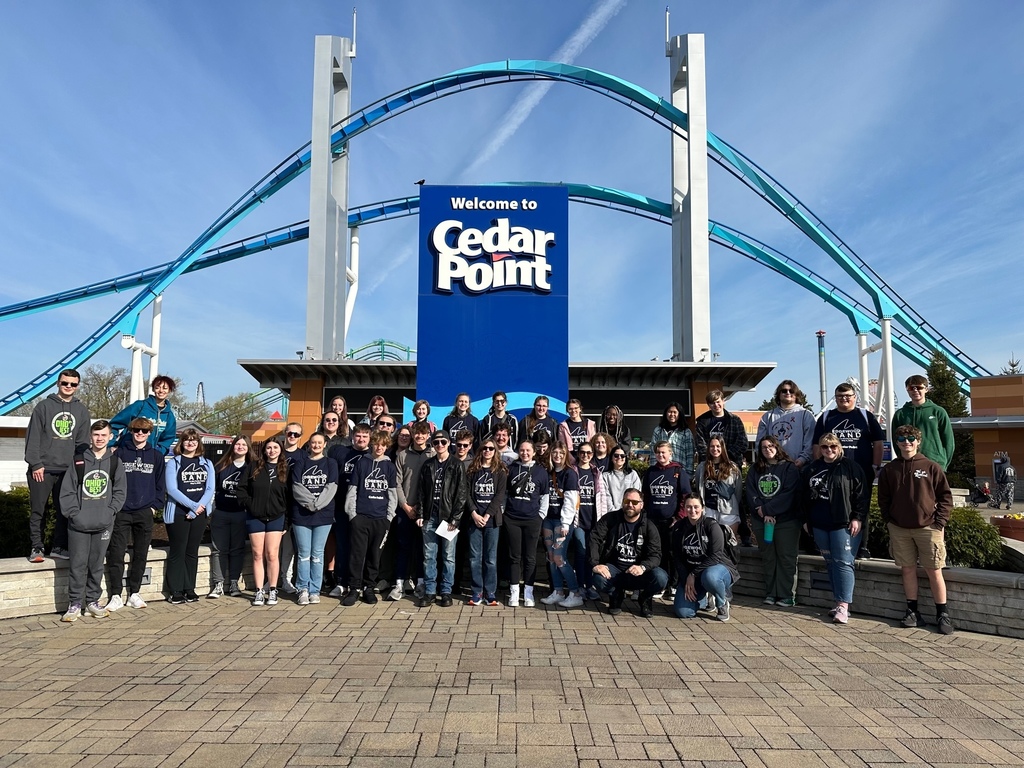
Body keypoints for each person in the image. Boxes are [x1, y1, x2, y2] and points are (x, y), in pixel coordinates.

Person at [878, 424, 955, 634]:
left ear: (918, 441)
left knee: (934, 570)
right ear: (897, 443)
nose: (906, 443)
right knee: (907, 569)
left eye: (911, 439)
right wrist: (890, 520)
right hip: (900, 528)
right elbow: (883, 498)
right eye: (902, 440)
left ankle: (943, 613)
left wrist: (939, 523)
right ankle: (912, 611)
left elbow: (945, 497)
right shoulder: (890, 469)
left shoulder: (931, 467)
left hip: (928, 528)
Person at [59, 420, 126, 622]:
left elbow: (120, 492)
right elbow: (68, 491)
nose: (100, 438)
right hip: (79, 523)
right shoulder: (78, 461)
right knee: (77, 564)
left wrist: (110, 512)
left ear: (110, 437)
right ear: (91, 436)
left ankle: (92, 601)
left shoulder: (115, 462)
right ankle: (75, 604)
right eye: (96, 435)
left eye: (104, 435)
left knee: (96, 564)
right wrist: (74, 514)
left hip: (103, 523)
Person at [25, 368, 91, 562]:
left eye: (73, 384)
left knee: (65, 511)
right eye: (65, 383)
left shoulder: (81, 410)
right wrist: (36, 464)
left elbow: (82, 444)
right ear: (58, 383)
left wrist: (80, 467)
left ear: (77, 386)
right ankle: (37, 547)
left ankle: (59, 547)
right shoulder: (43, 407)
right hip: (42, 469)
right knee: (39, 509)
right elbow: (33, 438)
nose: (68, 387)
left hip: (67, 470)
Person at [801, 432, 866, 625]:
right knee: (830, 561)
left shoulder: (850, 467)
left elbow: (861, 495)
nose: (829, 450)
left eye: (833, 447)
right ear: (819, 449)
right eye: (824, 447)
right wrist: (806, 519)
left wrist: (858, 517)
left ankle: (843, 606)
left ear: (839, 448)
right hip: (819, 523)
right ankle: (838, 601)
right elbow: (803, 496)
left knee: (843, 562)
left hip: (843, 522)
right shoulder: (812, 468)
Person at [813, 382, 884, 558]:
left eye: (848, 396)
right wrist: (818, 466)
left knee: (861, 508)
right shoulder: (826, 417)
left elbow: (878, 442)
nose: (844, 399)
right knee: (830, 505)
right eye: (840, 396)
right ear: (835, 398)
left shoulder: (865, 416)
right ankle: (828, 544)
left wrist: (875, 466)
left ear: (855, 397)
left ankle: (862, 546)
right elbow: (816, 443)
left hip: (861, 470)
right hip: (832, 471)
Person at [105, 417, 165, 611]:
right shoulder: (119, 454)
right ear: (131, 432)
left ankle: (135, 593)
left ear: (150, 433)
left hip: (144, 512)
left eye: (144, 431)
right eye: (136, 431)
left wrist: (154, 507)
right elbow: (110, 482)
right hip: (121, 511)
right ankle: (115, 595)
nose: (140, 434)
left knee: (141, 553)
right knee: (116, 554)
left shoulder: (156, 456)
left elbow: (160, 484)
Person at [589, 488, 668, 618]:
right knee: (598, 578)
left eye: (635, 502)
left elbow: (656, 555)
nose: (630, 505)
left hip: (638, 572)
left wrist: (643, 567)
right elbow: (594, 538)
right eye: (627, 501)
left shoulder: (649, 526)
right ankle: (616, 595)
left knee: (661, 578)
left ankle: (645, 598)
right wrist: (595, 564)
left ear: (641, 505)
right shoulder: (611, 519)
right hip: (615, 570)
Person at [745, 435, 802, 607]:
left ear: (777, 447)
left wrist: (769, 510)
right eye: (763, 447)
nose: (767, 449)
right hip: (762, 521)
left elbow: (789, 493)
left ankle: (786, 595)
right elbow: (751, 492)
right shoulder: (755, 469)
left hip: (786, 521)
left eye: (771, 446)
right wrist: (762, 511)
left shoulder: (789, 468)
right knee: (768, 557)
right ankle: (771, 593)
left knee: (786, 557)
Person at [343, 430, 398, 605]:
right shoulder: (362, 463)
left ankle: (368, 587)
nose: (379, 447)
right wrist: (352, 514)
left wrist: (389, 517)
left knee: (375, 555)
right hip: (361, 517)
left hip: (380, 519)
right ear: (371, 444)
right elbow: (353, 489)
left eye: (383, 445)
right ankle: (354, 588)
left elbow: (392, 493)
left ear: (386, 446)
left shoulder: (390, 466)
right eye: (376, 444)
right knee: (357, 555)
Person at [416, 430, 467, 607]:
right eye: (436, 442)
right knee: (429, 555)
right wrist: (420, 514)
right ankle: (430, 592)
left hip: (447, 518)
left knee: (448, 556)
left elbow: (461, 494)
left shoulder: (456, 464)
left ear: (449, 443)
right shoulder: (428, 465)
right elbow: (421, 492)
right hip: (430, 516)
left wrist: (455, 519)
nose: (439, 445)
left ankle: (446, 591)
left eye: (443, 442)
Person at [164, 429, 216, 604]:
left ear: (198, 443)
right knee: (178, 551)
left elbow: (210, 489)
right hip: (179, 513)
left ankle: (189, 588)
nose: (190, 443)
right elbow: (171, 489)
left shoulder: (207, 463)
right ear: (182, 443)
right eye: (187, 440)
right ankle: (175, 590)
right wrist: (192, 506)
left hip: (199, 514)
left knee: (192, 552)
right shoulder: (174, 463)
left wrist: (197, 509)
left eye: (194, 440)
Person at [236, 438, 290, 607]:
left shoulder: (286, 469)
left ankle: (272, 589)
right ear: (264, 450)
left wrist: (286, 521)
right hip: (255, 517)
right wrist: (250, 505)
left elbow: (290, 498)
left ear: (280, 450)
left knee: (272, 555)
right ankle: (259, 591)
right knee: (257, 554)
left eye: (275, 447)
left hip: (276, 517)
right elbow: (241, 489)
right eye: (269, 448)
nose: (272, 450)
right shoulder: (254, 467)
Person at [671, 494, 739, 621]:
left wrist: (693, 574)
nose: (692, 510)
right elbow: (677, 557)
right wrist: (686, 578)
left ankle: (722, 601)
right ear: (685, 509)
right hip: (693, 572)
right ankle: (703, 599)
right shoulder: (679, 527)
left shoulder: (711, 526)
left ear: (702, 508)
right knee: (683, 612)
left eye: (696, 507)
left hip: (717, 568)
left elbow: (716, 556)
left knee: (710, 577)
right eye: (689, 507)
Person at [290, 433, 339, 605]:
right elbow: (296, 487)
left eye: (319, 442)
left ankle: (315, 590)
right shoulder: (300, 463)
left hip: (323, 516)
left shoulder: (331, 463)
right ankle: (302, 588)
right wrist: (311, 504)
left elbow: (331, 487)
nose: (316, 445)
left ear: (325, 444)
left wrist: (318, 505)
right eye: (313, 443)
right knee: (304, 554)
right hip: (302, 515)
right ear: (309, 444)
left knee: (317, 554)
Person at [642, 441, 692, 597]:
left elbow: (685, 496)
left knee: (673, 553)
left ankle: (674, 585)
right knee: (658, 552)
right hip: (653, 521)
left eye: (664, 452)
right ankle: (661, 584)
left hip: (672, 521)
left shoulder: (678, 471)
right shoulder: (650, 472)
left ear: (671, 453)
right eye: (658, 452)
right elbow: (646, 496)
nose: (661, 455)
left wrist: (679, 517)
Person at [504, 440, 550, 606]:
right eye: (522, 450)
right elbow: (505, 492)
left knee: (530, 557)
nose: (525, 453)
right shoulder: (512, 469)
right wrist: (504, 512)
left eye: (528, 450)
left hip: (532, 519)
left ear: (534, 452)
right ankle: (514, 592)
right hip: (512, 518)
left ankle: (529, 592)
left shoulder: (540, 471)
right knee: (514, 556)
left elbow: (545, 496)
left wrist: (540, 516)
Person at [541, 442, 584, 609]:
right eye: (555, 452)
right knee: (551, 557)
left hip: (561, 521)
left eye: (561, 452)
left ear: (566, 454)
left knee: (559, 557)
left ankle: (575, 593)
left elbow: (571, 502)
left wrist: (566, 522)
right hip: (548, 519)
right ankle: (558, 592)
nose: (557, 455)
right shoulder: (548, 472)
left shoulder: (570, 474)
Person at [465, 438, 507, 606]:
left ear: (495, 451)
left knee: (490, 558)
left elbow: (499, 496)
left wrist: (487, 515)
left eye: (491, 448)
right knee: (475, 558)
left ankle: (490, 592)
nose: (488, 451)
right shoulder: (472, 470)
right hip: (474, 519)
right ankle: (477, 592)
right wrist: (474, 514)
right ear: (480, 450)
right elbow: (466, 493)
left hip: (492, 521)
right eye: (485, 448)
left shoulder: (500, 471)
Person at [394, 422, 434, 599]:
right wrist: (406, 506)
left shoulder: (433, 454)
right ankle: (399, 584)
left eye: (423, 434)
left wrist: (420, 507)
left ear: (427, 436)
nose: (419, 437)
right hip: (405, 508)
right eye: (416, 434)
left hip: (425, 510)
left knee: (422, 548)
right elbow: (396, 483)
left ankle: (420, 583)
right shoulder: (402, 455)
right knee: (403, 546)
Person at [209, 435, 252, 598]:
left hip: (241, 514)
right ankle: (218, 584)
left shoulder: (251, 467)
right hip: (221, 513)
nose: (240, 447)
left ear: (248, 448)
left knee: (237, 550)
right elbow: (213, 490)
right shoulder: (221, 466)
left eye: (243, 444)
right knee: (218, 550)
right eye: (237, 444)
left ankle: (234, 582)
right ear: (233, 446)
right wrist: (211, 510)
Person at [569, 442, 611, 600]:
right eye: (582, 452)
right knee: (581, 552)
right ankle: (581, 586)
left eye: (588, 453)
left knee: (592, 553)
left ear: (592, 455)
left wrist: (603, 520)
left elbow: (603, 497)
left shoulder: (596, 472)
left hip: (594, 519)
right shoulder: (573, 470)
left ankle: (590, 585)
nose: (585, 455)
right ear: (578, 454)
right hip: (578, 519)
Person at [891, 375, 955, 470]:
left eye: (919, 387)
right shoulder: (900, 414)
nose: (915, 390)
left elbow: (949, 441)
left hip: (935, 463)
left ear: (926, 389)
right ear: (907, 390)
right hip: (908, 463)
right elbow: (895, 439)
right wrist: (902, 457)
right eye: (911, 388)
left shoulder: (938, 412)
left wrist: (943, 463)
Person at [110, 375, 178, 455]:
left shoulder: (169, 415)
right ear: (153, 389)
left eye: (164, 388)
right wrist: (111, 444)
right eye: (157, 387)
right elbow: (114, 425)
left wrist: (158, 452)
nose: (161, 391)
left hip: (149, 456)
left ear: (169, 390)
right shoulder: (140, 406)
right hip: (127, 452)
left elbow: (168, 438)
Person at [756, 380, 815, 468]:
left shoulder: (806, 415)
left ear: (796, 394)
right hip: (773, 467)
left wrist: (802, 459)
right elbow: (759, 443)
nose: (788, 393)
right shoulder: (767, 416)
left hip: (799, 466)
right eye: (784, 391)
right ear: (778, 394)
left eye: (791, 391)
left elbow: (810, 442)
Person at [278, 422, 304, 594]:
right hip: (276, 504)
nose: (292, 436)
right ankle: (270, 580)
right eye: (290, 433)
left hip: (295, 506)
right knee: (272, 548)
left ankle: (286, 579)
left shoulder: (303, 456)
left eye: (296, 434)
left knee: (289, 548)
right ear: (285, 434)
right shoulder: (276, 452)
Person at [694, 437, 741, 532]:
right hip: (708, 509)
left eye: (718, 446)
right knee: (710, 542)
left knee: (729, 542)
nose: (715, 449)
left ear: (723, 448)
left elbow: (738, 491)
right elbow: (698, 488)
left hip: (728, 510)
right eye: (712, 446)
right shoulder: (702, 467)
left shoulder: (733, 468)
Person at [695, 390, 748, 467]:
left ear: (723, 401)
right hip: (709, 465)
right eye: (712, 403)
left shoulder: (735, 420)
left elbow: (743, 443)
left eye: (718, 402)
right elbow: (700, 444)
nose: (716, 405)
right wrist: (712, 457)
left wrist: (727, 456)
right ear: (708, 405)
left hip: (732, 463)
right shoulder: (702, 421)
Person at [651, 402, 695, 471]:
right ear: (666, 413)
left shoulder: (686, 432)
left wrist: (689, 473)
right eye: (669, 412)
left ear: (679, 414)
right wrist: (653, 469)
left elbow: (690, 454)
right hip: (660, 470)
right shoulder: (658, 430)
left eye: (675, 412)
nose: (672, 414)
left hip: (679, 471)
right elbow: (653, 451)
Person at [603, 446, 641, 511]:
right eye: (616, 455)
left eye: (622, 456)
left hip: (629, 511)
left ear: (625, 458)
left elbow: (636, 494)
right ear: (611, 458)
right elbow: (606, 497)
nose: (619, 458)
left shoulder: (632, 474)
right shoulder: (605, 476)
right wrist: (614, 512)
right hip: (611, 514)